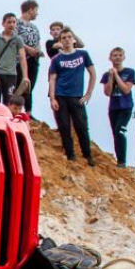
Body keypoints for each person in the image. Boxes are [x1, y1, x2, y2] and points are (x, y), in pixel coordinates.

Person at [48, 28, 97, 166]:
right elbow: (52, 79)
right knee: (64, 126)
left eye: (69, 37)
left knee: (81, 127)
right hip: (60, 95)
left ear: (74, 39)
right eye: (64, 38)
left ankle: (87, 155)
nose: (67, 40)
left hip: (77, 96)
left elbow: (93, 74)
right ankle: (70, 155)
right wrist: (52, 98)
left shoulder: (83, 54)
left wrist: (88, 94)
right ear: (60, 41)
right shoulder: (56, 59)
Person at [100, 47, 135, 167]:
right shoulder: (107, 75)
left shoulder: (130, 72)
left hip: (126, 107)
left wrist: (116, 75)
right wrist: (111, 77)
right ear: (110, 58)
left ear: (124, 57)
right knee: (115, 133)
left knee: (120, 131)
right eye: (115, 55)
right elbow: (107, 93)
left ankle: (122, 162)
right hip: (113, 108)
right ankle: (119, 161)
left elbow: (126, 90)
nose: (117, 57)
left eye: (120, 55)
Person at [0, 13, 27, 105]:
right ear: (3, 24)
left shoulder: (18, 39)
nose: (11, 24)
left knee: (9, 103)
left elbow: (22, 58)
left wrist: (25, 76)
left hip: (11, 75)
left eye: (14, 22)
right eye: (9, 22)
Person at [16, 0, 43, 113]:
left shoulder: (34, 27)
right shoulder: (17, 23)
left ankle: (28, 112)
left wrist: (38, 51)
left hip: (33, 60)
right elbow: (15, 40)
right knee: (20, 85)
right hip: (20, 60)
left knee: (30, 87)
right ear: (30, 10)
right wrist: (28, 49)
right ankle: (16, 110)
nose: (37, 13)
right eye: (36, 10)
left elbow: (38, 41)